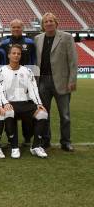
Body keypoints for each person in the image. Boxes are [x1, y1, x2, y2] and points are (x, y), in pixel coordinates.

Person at [35, 12, 78, 151]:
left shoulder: (66, 37)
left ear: (56, 23)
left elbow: (72, 61)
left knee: (65, 115)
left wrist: (72, 80)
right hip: (43, 81)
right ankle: (45, 140)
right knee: (44, 114)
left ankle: (66, 142)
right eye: (46, 21)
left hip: (62, 81)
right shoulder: (37, 39)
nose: (48, 23)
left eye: (51, 21)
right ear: (42, 25)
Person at [0, 44, 49, 158]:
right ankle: (14, 147)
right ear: (9, 55)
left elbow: (33, 89)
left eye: (18, 54)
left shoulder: (27, 71)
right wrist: (5, 103)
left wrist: (39, 104)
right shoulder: (1, 71)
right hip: (10, 103)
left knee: (43, 114)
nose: (16, 55)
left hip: (25, 103)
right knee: (9, 113)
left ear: (21, 56)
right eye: (14, 53)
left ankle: (35, 146)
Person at [0, 19, 36, 146]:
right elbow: (3, 60)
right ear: (10, 28)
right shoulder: (4, 43)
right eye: (13, 27)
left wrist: (33, 80)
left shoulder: (30, 42)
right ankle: (11, 139)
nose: (16, 29)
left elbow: (34, 60)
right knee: (11, 108)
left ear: (23, 28)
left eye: (18, 27)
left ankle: (27, 138)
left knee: (26, 111)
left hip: (26, 81)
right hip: (9, 79)